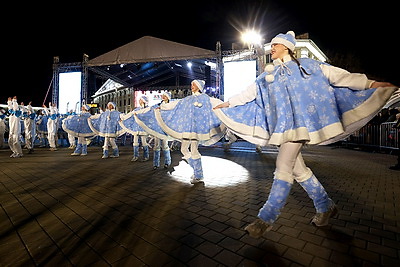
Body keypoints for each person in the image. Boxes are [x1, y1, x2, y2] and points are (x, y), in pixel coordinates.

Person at [213, 31, 397, 238]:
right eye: (271, 45)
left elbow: (340, 76)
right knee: (298, 170)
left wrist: (371, 84)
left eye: (275, 45)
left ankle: (266, 218)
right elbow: (249, 93)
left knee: (283, 165)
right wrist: (228, 104)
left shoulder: (308, 66)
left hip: (301, 126)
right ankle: (325, 205)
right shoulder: (268, 75)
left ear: (287, 47)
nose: (271, 48)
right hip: (283, 127)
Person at [155, 79, 226, 184]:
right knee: (184, 149)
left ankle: (198, 175)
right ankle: (197, 171)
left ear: (199, 86)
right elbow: (176, 103)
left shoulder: (205, 98)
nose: (191, 85)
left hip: (197, 129)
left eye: (194, 84)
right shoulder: (188, 99)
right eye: (191, 84)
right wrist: (162, 107)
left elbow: (215, 102)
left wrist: (225, 105)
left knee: (193, 150)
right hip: (188, 128)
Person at [120, 96, 151, 162]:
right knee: (135, 142)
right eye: (139, 100)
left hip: (143, 128)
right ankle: (135, 156)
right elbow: (130, 115)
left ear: (144, 101)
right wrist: (123, 118)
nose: (139, 101)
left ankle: (146, 156)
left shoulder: (148, 109)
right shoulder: (137, 109)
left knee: (144, 142)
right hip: (136, 128)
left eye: (140, 100)